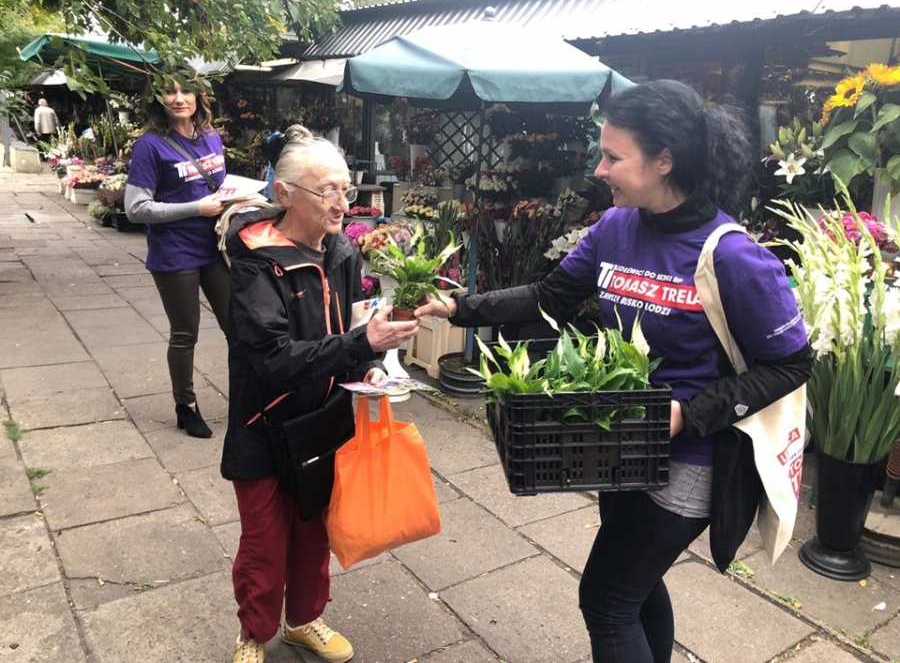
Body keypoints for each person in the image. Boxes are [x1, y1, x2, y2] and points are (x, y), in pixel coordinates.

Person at [416, 79, 812, 663]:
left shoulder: (732, 256)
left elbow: (792, 362)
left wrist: (688, 414)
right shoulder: (615, 228)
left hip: (689, 458)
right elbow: (550, 296)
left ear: (663, 161)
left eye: (612, 157)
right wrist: (457, 307)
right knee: (636, 586)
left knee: (606, 601)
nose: (599, 170)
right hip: (620, 440)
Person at [221, 124, 419, 663]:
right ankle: (253, 634)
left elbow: (354, 324)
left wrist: (372, 365)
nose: (342, 204)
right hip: (264, 425)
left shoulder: (341, 250)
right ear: (285, 194)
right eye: (327, 190)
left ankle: (303, 620)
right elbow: (272, 359)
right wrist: (361, 343)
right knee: (264, 545)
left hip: (325, 420)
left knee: (314, 534)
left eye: (345, 189)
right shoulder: (256, 261)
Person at [125, 79, 229, 439]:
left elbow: (219, 187)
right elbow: (136, 208)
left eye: (186, 91)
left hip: (215, 248)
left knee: (238, 325)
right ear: (158, 99)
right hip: (175, 252)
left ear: (199, 96)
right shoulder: (150, 145)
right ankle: (186, 405)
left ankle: (249, 394)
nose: (179, 98)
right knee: (185, 333)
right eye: (170, 92)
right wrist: (196, 208)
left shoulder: (211, 138)